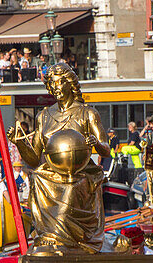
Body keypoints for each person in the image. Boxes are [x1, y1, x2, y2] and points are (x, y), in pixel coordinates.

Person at [11, 63, 109, 252]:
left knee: (72, 186)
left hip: (81, 172)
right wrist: (20, 143)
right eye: (52, 84)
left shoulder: (87, 113)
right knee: (38, 176)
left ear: (69, 84)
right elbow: (34, 159)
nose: (55, 88)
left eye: (59, 83)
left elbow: (106, 150)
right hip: (51, 172)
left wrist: (95, 143)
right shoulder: (44, 116)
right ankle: (47, 235)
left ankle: (61, 236)